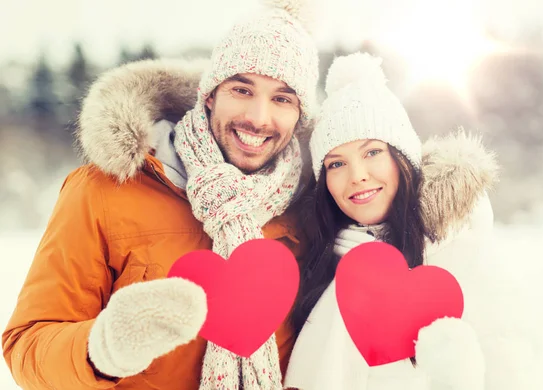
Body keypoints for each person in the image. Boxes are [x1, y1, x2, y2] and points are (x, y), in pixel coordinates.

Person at [2, 1, 319, 389]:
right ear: (209, 95)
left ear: (300, 115)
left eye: (282, 98)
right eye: (241, 89)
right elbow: (27, 345)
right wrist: (102, 348)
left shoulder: (312, 205)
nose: (258, 116)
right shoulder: (104, 190)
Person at [283, 53, 499, 389]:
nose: (357, 176)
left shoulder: (461, 247)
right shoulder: (318, 259)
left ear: (402, 159)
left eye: (372, 153)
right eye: (336, 164)